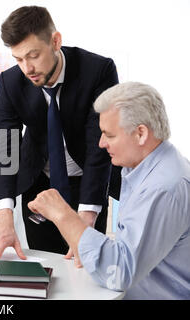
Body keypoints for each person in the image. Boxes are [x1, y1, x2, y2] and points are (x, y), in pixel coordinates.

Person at [0, 6, 120, 263]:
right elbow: (5, 149)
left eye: (33, 55)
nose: (27, 68)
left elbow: (98, 148)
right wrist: (3, 217)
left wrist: (86, 217)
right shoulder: (11, 83)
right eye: (18, 59)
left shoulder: (98, 71)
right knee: (44, 265)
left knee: (86, 265)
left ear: (56, 41)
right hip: (39, 184)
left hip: (86, 183)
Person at [28, 82, 190, 299]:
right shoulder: (144, 168)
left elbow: (120, 271)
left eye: (109, 135)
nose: (101, 143)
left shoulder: (162, 188)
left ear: (141, 133)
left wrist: (62, 214)